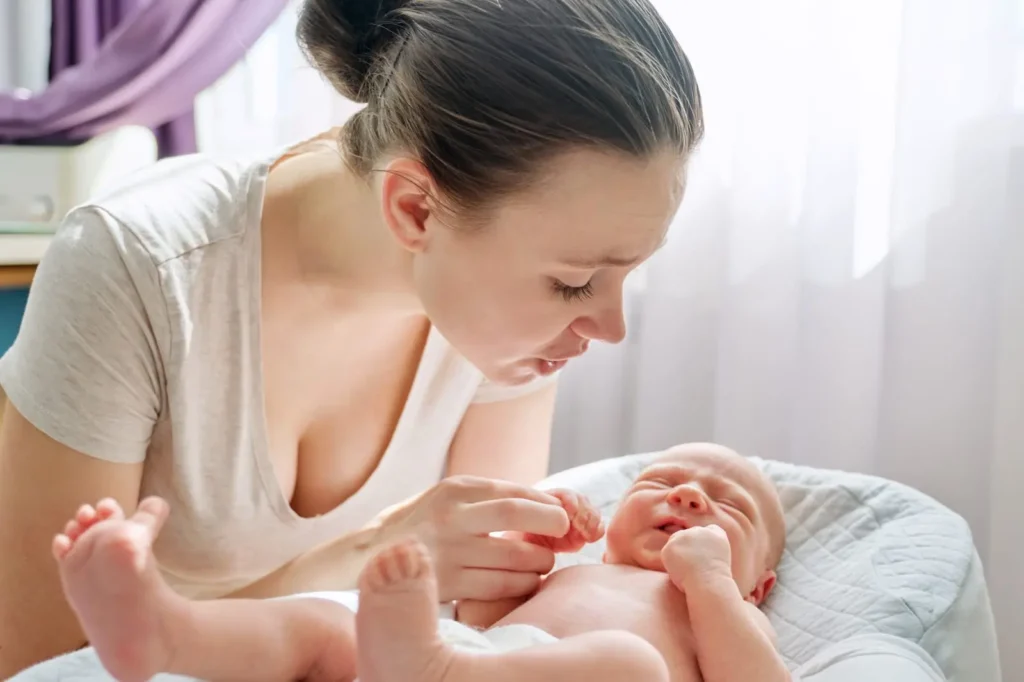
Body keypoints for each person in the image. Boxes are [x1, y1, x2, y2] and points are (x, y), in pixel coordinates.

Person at [0, 0, 704, 675]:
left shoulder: (503, 327)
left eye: (626, 273)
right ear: (416, 209)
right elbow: (50, 664)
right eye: (576, 282)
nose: (610, 329)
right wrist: (362, 558)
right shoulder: (137, 268)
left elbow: (482, 631)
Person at [50, 442, 788, 682]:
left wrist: (711, 582)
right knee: (324, 625)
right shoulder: (583, 571)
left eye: (728, 508)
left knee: (633, 664)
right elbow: (487, 622)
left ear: (761, 584)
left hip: (465, 669)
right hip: (472, 658)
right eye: (662, 484)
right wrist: (533, 558)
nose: (689, 496)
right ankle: (167, 630)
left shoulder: (724, 612)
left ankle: (436, 671)